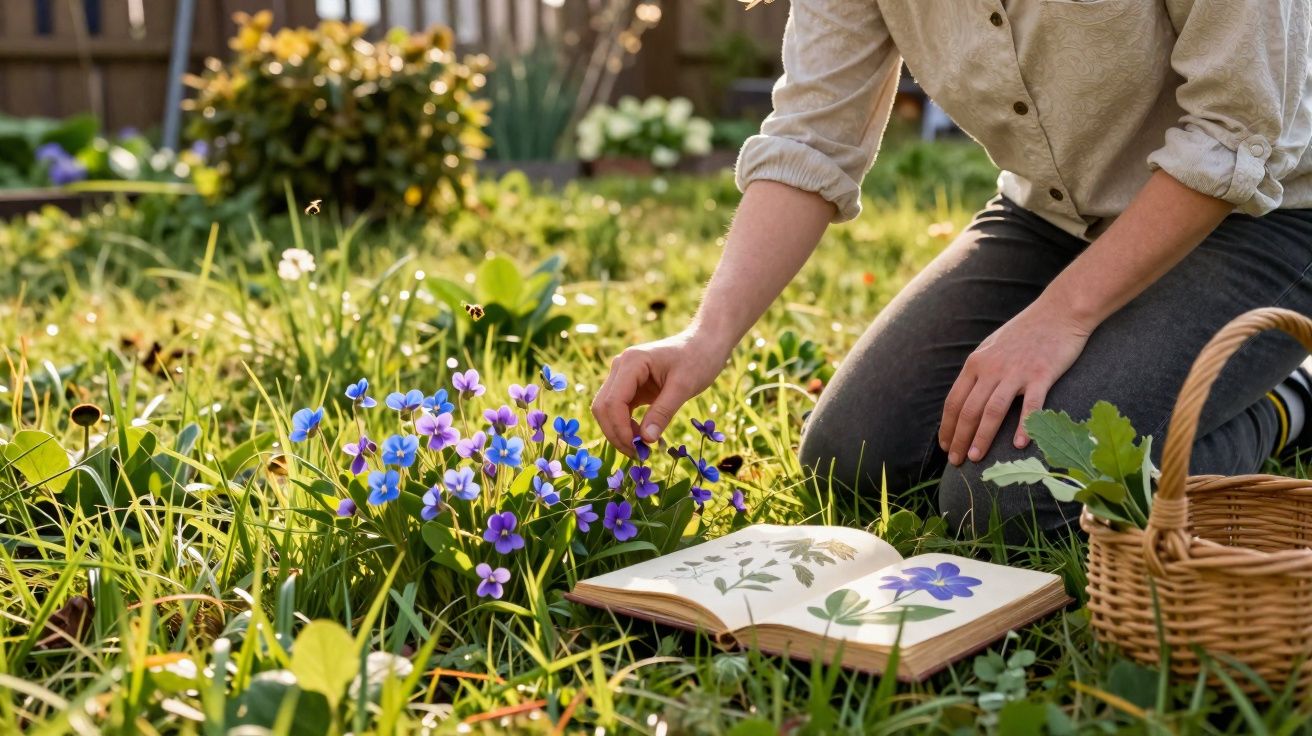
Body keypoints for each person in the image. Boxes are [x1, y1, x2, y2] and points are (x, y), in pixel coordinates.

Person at [591, 1, 1312, 540]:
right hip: (1054, 220)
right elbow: (813, 135)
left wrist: (1061, 316)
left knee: (1013, 502)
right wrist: (704, 335)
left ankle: (1290, 399)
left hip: (1265, 214)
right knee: (852, 459)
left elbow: (1234, 134)